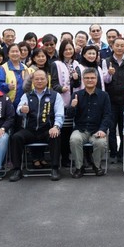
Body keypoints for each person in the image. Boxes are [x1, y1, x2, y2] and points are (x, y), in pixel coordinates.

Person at [9, 69, 64, 182]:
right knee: (16, 137)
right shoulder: (27, 95)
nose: (39, 81)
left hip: (47, 129)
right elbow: (19, 109)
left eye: (42, 78)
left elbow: (59, 114)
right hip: (30, 129)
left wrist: (56, 126)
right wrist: (22, 109)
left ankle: (54, 168)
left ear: (46, 80)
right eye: (36, 79)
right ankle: (17, 170)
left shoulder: (55, 95)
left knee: (56, 135)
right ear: (33, 81)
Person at [69, 68, 112, 178]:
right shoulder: (76, 95)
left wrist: (102, 130)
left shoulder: (104, 95)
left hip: (97, 129)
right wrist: (73, 106)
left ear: (97, 79)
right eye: (87, 78)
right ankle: (79, 167)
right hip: (80, 129)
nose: (90, 80)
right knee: (74, 139)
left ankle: (97, 166)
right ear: (83, 79)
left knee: (101, 143)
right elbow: (70, 115)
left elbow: (107, 115)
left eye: (92, 78)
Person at [51, 40, 82, 168]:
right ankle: (63, 158)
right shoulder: (56, 64)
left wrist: (76, 78)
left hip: (74, 100)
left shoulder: (77, 64)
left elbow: (78, 84)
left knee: (72, 130)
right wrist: (61, 88)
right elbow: (53, 83)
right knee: (63, 131)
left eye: (70, 49)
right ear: (61, 51)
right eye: (66, 49)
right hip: (61, 101)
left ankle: (71, 157)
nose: (68, 52)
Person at [103, 37, 124, 163]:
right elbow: (105, 80)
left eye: (122, 45)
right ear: (112, 46)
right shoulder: (106, 61)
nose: (120, 48)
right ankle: (113, 152)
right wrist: (110, 73)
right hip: (111, 100)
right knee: (111, 127)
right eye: (117, 45)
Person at [0, 43, 28, 110]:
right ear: (8, 54)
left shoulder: (25, 68)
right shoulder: (3, 68)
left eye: (17, 51)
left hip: (23, 103)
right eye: (12, 51)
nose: (15, 53)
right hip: (7, 104)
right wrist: (7, 86)